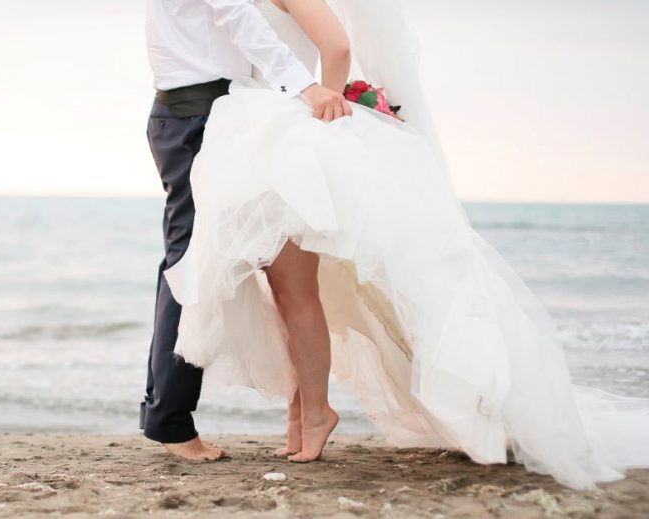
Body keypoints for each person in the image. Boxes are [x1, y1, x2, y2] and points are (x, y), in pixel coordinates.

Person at [163, 0, 649, 489]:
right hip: (255, 134)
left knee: (296, 290)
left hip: (286, 135)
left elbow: (337, 44)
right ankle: (303, 414)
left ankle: (313, 416)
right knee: (286, 291)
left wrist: (319, 110)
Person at [140, 0, 351, 461]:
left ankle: (174, 415)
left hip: (199, 115)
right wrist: (307, 87)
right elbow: (239, 15)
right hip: (200, 117)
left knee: (195, 266)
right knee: (191, 267)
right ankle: (169, 419)